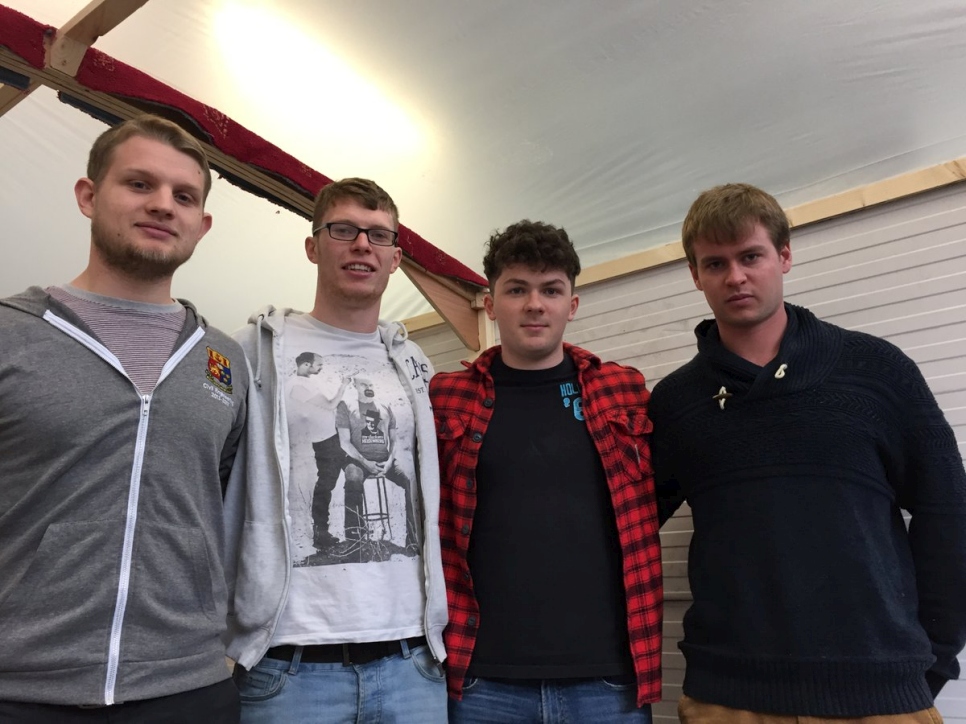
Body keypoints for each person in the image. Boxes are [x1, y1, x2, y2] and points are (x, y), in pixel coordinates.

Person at [650, 183, 966, 723]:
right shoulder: (676, 403)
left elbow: (948, 514)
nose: (736, 277)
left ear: (785, 256)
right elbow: (622, 531)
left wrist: (932, 661)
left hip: (881, 699)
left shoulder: (878, 372)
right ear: (695, 275)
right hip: (728, 703)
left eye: (751, 256)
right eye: (715, 263)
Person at [0, 115, 247, 722]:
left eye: (183, 196)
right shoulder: (10, 333)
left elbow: (217, 496)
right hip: (22, 687)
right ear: (89, 195)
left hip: (188, 685)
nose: (163, 205)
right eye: (139, 185)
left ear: (202, 224)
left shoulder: (225, 360)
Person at [225, 178, 447, 723]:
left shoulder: (413, 362)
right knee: (341, 483)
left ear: (396, 257)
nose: (361, 245)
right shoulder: (254, 350)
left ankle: (382, 537)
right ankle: (330, 536)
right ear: (313, 246)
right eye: (343, 230)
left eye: (379, 235)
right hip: (288, 665)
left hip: (410, 661)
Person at [430, 220, 662, 723]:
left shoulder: (624, 390)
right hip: (481, 681)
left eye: (551, 289)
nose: (535, 304)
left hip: (608, 682)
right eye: (517, 289)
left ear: (571, 304)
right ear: (490, 304)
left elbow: (650, 503)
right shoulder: (445, 397)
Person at [335, 376, 418, 553]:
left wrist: (388, 463)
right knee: (353, 478)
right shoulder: (346, 407)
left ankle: (412, 540)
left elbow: (394, 440)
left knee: (409, 480)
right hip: (358, 460)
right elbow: (345, 442)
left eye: (371, 383)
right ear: (355, 386)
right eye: (364, 384)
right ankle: (355, 541)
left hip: (384, 460)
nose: (369, 387)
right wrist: (366, 463)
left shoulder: (385, 407)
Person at [286, 351, 350, 553]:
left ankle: (346, 532)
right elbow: (330, 405)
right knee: (325, 487)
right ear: (306, 365)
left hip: (333, 437)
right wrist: (344, 385)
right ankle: (321, 535)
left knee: (340, 480)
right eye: (318, 365)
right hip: (325, 442)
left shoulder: (307, 382)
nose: (321, 368)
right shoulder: (297, 385)